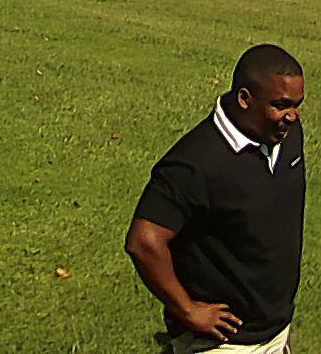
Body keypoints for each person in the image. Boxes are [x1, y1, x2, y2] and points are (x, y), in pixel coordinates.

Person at [126, 44, 306, 353]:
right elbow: (144, 241)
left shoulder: (286, 136)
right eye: (280, 105)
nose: (292, 116)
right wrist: (187, 311)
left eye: (297, 105)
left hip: (276, 328)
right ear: (245, 99)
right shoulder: (196, 162)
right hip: (223, 342)